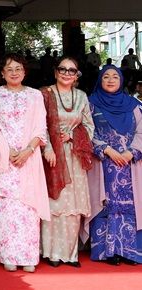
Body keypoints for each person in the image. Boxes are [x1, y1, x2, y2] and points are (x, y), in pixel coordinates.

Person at [0, 53, 49, 273]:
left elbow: (41, 128)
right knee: (7, 209)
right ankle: (9, 255)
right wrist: (9, 150)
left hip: (29, 158)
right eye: (9, 69)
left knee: (28, 209)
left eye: (18, 68)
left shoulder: (34, 96)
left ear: (25, 71)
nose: (14, 72)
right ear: (2, 73)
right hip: (5, 158)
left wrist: (28, 150)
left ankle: (29, 256)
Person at [40, 57, 94, 268]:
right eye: (62, 69)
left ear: (77, 76)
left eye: (72, 71)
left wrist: (71, 135)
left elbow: (89, 126)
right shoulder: (45, 94)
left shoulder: (81, 97)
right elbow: (39, 123)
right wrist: (49, 148)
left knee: (72, 205)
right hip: (52, 156)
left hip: (74, 156)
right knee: (55, 202)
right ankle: (52, 253)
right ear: (55, 72)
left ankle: (70, 254)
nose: (66, 73)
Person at [86, 65, 142, 265]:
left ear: (121, 81)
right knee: (106, 204)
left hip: (130, 164)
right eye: (106, 77)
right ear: (100, 80)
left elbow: (141, 132)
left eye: (115, 77)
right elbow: (86, 131)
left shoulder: (133, 105)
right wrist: (107, 150)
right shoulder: (90, 104)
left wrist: (130, 152)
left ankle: (129, 251)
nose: (110, 80)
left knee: (131, 205)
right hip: (104, 164)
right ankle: (107, 251)